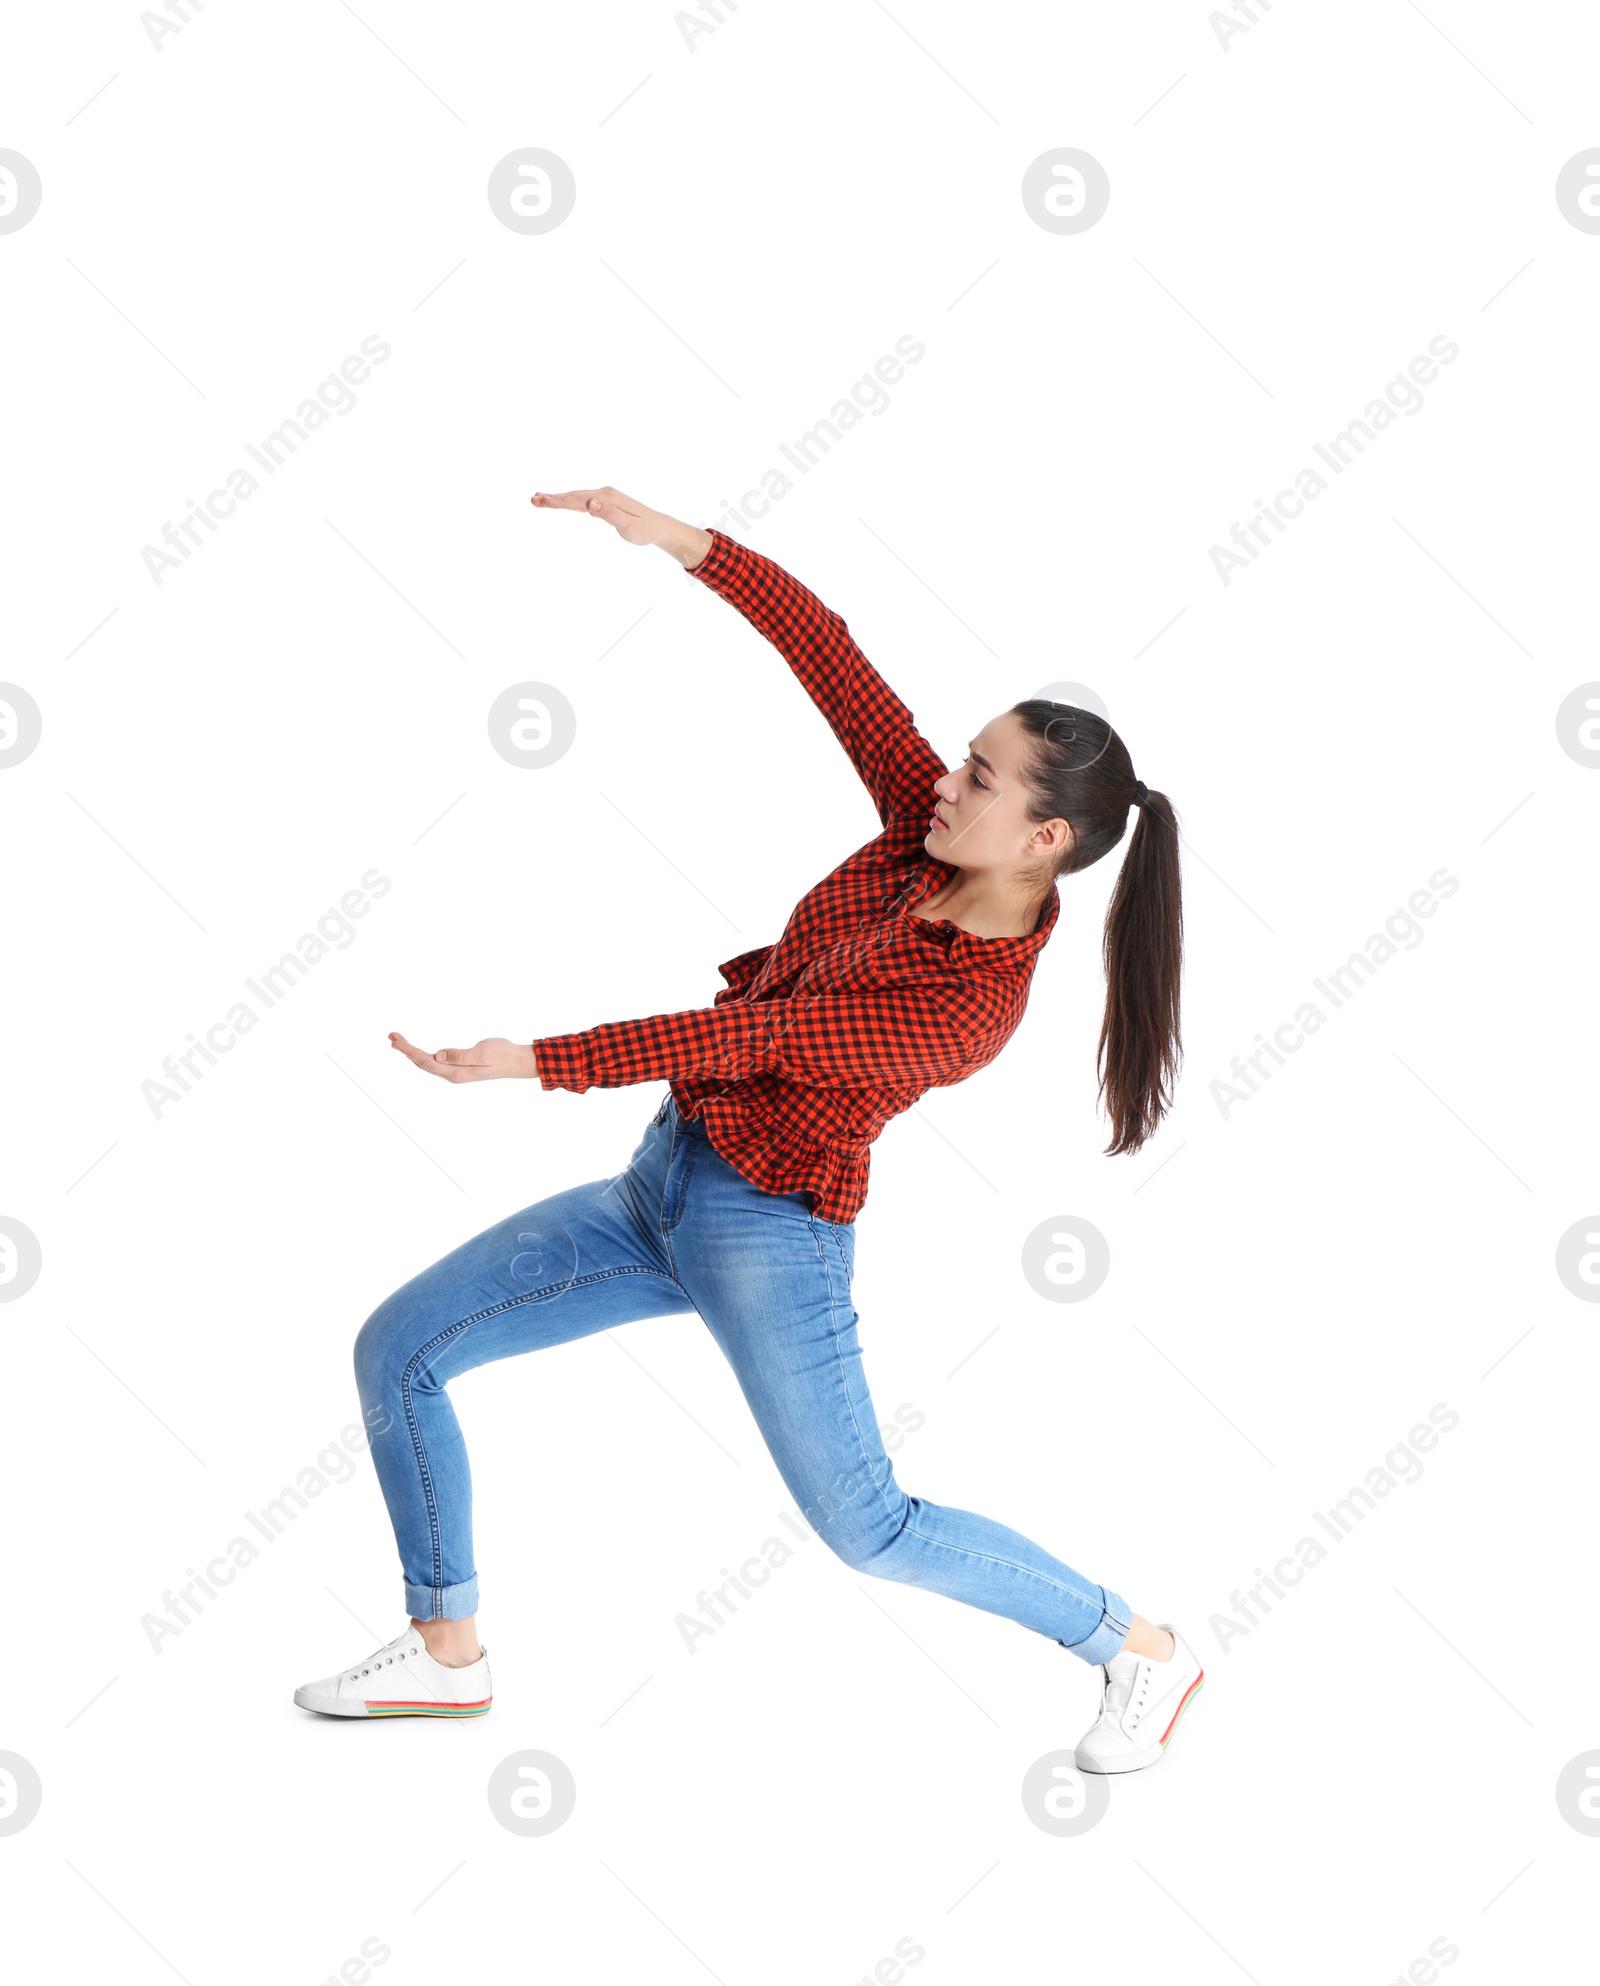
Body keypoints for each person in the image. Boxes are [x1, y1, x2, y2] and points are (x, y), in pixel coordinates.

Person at [292, 487, 1203, 1775]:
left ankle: (1138, 1651)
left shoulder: (970, 1003)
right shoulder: (923, 834)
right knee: (399, 1348)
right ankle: (447, 1655)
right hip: (663, 1185)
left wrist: (538, 1062)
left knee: (868, 1525)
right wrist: (688, 546)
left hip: (767, 1235)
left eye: (981, 781)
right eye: (960, 758)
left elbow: (751, 1042)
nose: (946, 782)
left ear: (1046, 839)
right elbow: (828, 655)